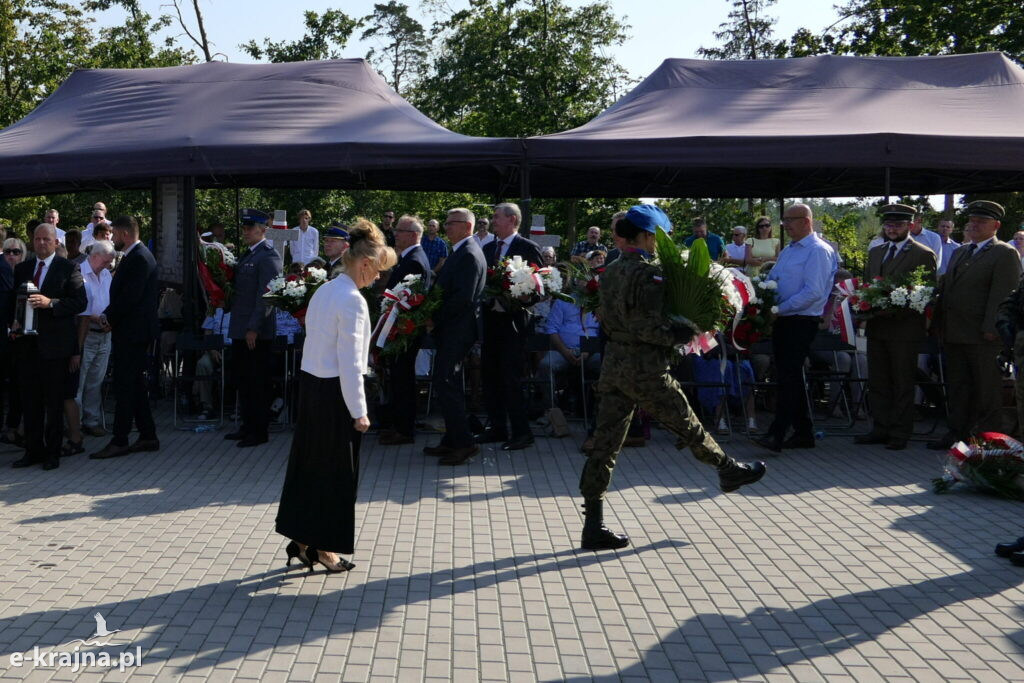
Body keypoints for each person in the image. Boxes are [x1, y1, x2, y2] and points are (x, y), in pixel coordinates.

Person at [580, 205, 765, 550]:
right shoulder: (648, 273)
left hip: (615, 364)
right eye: (657, 237)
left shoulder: (611, 270)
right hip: (645, 367)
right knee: (686, 423)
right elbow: (646, 326)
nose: (658, 244)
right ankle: (727, 468)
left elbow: (606, 317)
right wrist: (681, 334)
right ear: (648, 236)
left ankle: (593, 524)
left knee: (604, 446)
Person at [276, 219, 396, 574]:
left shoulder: (326, 290)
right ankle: (324, 549)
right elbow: (351, 363)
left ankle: (300, 542)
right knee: (336, 477)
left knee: (309, 469)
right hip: (335, 394)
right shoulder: (353, 301)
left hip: (313, 387)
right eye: (378, 270)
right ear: (364, 264)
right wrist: (360, 411)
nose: (378, 278)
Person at [930, 200, 1020, 449]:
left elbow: (1003, 294)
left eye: (981, 221)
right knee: (959, 387)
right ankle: (958, 434)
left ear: (996, 225)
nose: (974, 225)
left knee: (986, 390)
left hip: (983, 336)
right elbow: (947, 289)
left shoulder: (1004, 253)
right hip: (955, 332)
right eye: (972, 220)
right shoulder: (961, 251)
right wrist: (938, 321)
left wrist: (992, 328)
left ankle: (989, 440)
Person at [754, 203, 838, 453]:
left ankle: (776, 434)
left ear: (807, 221)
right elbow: (774, 280)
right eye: (784, 220)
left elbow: (814, 292)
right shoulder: (790, 250)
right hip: (784, 319)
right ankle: (804, 433)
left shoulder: (817, 251)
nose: (786, 225)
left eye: (791, 220)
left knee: (789, 377)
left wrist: (779, 309)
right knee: (789, 376)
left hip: (800, 321)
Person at [854, 205, 936, 451]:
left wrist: (896, 304)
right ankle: (880, 427)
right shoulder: (876, 251)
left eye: (898, 225)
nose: (892, 230)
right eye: (888, 225)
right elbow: (868, 285)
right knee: (878, 379)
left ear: (910, 226)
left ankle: (900, 432)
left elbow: (927, 293)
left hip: (904, 328)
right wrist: (863, 304)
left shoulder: (922, 253)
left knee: (902, 380)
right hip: (878, 326)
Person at [11, 224, 86, 470]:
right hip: (26, 345)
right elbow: (12, 302)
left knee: (53, 403)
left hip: (54, 348)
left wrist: (51, 303)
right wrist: (12, 322)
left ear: (55, 243)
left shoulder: (68, 268)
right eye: (37, 239)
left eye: (46, 239)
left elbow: (79, 302)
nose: (41, 243)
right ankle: (33, 450)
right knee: (30, 401)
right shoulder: (22, 268)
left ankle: (52, 453)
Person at [89, 217, 160, 459]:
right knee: (135, 384)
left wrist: (108, 317)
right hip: (131, 331)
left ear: (125, 234)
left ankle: (120, 439)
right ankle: (148, 435)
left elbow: (130, 297)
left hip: (133, 333)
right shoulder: (136, 256)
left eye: (115, 234)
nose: (113, 239)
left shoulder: (139, 258)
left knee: (125, 385)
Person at [423, 208, 486, 465]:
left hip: (458, 329)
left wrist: (433, 317)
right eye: (446, 223)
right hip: (453, 328)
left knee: (446, 381)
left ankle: (464, 443)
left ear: (467, 227)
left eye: (451, 223)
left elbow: (463, 298)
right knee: (449, 382)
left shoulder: (469, 254)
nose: (446, 227)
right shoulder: (460, 251)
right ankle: (452, 439)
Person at [478, 202, 543, 451]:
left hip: (514, 325)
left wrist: (527, 297)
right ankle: (497, 428)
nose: (493, 221)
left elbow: (541, 284)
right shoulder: (489, 248)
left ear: (512, 220)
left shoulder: (527, 247)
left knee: (511, 379)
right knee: (490, 376)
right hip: (491, 323)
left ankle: (521, 432)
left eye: (497, 217)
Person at [223, 209, 283, 448]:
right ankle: (248, 425)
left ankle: (259, 431)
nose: (245, 231)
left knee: (257, 382)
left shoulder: (268, 256)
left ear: (263, 230)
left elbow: (267, 295)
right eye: (244, 227)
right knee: (244, 380)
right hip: (241, 328)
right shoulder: (249, 255)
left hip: (255, 332)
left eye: (251, 227)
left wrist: (254, 328)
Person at [378, 215, 433, 446]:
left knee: (403, 378)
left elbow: (412, 299)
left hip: (405, 330)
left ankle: (405, 429)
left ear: (412, 235)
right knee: (399, 377)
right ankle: (399, 425)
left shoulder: (415, 261)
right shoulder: (408, 258)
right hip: (399, 328)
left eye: (399, 231)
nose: (395, 235)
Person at [75, 240, 115, 438]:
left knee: (96, 381)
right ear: (95, 256)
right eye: (106, 261)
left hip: (105, 334)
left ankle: (91, 421)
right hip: (87, 332)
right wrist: (96, 318)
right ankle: (74, 424)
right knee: (79, 381)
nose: (108, 266)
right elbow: (77, 305)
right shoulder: (79, 272)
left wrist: (110, 318)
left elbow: (110, 300)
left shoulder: (106, 273)